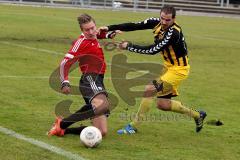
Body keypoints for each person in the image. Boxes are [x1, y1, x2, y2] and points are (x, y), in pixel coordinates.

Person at [100, 5, 207, 134]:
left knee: (150, 88)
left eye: (168, 20)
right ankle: (197, 115)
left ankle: (133, 126)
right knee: (163, 104)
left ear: (174, 19)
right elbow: (134, 25)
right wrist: (109, 27)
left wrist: (129, 46)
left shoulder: (173, 33)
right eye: (162, 18)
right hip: (168, 67)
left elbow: (152, 50)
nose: (164, 22)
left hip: (179, 70)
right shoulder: (156, 22)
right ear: (160, 16)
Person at [48, 13, 118, 137]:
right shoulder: (81, 43)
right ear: (82, 30)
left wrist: (108, 34)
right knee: (103, 105)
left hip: (98, 80)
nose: (91, 32)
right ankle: (63, 123)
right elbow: (65, 62)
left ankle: (62, 130)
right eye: (87, 30)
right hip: (89, 79)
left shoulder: (93, 34)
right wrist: (65, 81)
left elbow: (97, 34)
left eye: (92, 28)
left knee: (101, 132)